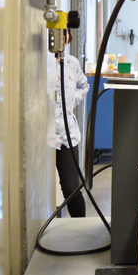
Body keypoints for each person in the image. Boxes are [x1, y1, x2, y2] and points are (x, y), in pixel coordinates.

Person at [55, 30, 89, 217]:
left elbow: (84, 85)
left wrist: (72, 100)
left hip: (66, 134)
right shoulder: (42, 63)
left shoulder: (72, 63)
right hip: (43, 134)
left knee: (71, 189)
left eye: (65, 33)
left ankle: (80, 228)